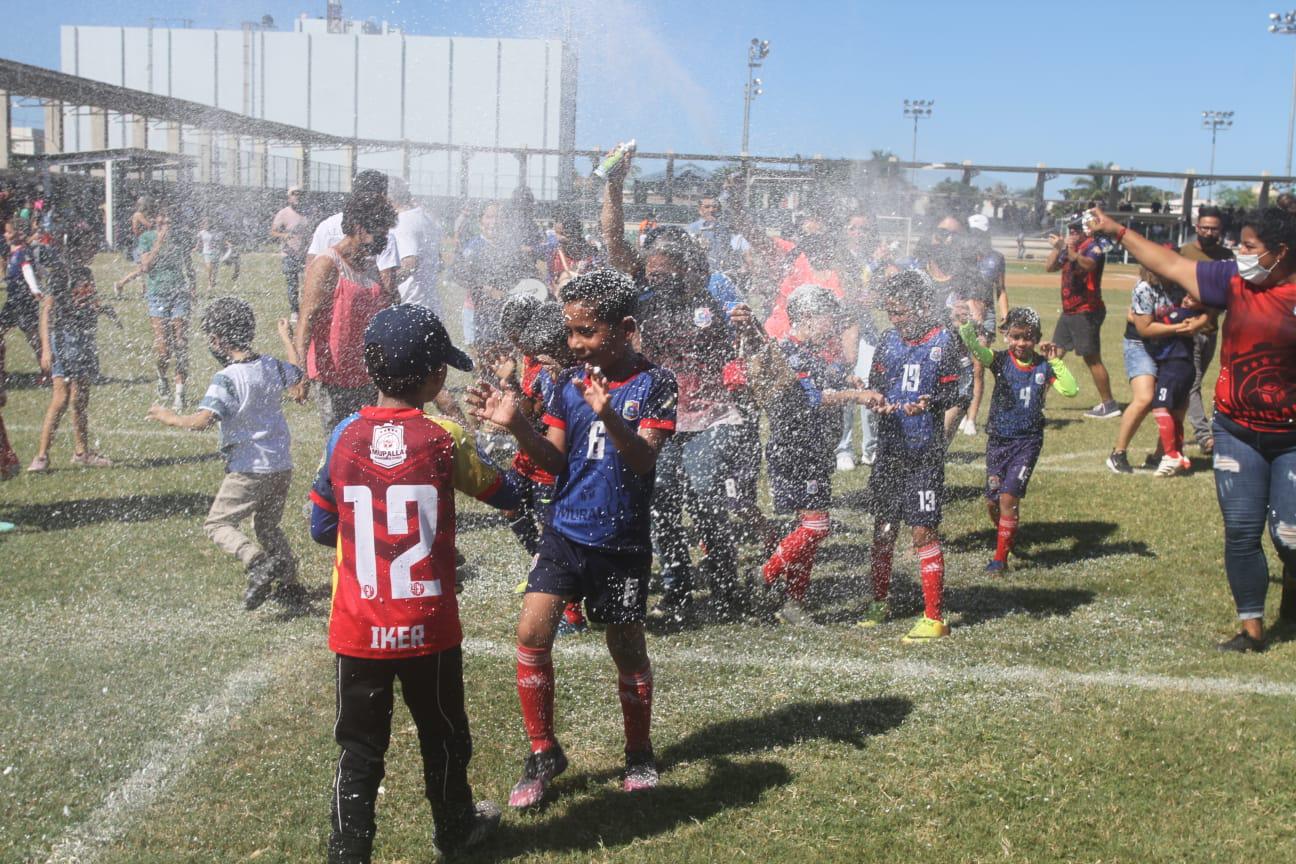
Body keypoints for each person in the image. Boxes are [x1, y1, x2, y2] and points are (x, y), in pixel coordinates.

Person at [309, 304, 513, 863]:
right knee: (444, 734)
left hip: (359, 625)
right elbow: (506, 494)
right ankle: (455, 831)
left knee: (359, 748)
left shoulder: (343, 436)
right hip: (429, 627)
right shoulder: (444, 437)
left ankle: (347, 853)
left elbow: (322, 526)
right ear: (436, 377)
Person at [466, 269, 677, 807]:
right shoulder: (568, 383)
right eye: (570, 332)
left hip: (622, 540)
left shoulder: (656, 384)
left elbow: (645, 459)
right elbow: (554, 460)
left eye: (586, 332)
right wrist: (517, 425)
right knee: (532, 633)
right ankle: (542, 752)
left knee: (626, 645)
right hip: (565, 530)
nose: (575, 343)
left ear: (624, 327)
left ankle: (638, 750)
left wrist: (610, 415)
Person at [1088, 205, 1296, 652]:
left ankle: (1292, 592)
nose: (1240, 252)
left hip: (1292, 438)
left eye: (1250, 246)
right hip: (1237, 430)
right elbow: (1171, 264)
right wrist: (1118, 230)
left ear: (1280, 253)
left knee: (1289, 537)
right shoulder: (1234, 281)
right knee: (1241, 530)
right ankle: (1252, 629)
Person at [732, 284, 881, 624]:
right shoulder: (786, 352)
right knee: (816, 526)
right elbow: (811, 397)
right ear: (808, 318)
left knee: (809, 530)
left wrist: (847, 378)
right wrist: (855, 396)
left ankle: (794, 603)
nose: (834, 327)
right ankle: (764, 576)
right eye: (829, 320)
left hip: (814, 450)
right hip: (795, 451)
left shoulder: (811, 351)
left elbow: (824, 376)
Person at [147, 297, 305, 610]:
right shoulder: (270, 365)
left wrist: (170, 417)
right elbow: (298, 375)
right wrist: (286, 338)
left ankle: (256, 561)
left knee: (217, 525)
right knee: (268, 527)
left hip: (249, 468)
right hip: (280, 466)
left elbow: (202, 421)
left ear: (217, 340)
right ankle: (290, 585)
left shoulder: (228, 379)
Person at [857, 270, 962, 642]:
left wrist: (931, 412)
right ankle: (879, 601)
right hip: (889, 451)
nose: (895, 319)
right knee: (884, 529)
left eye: (901, 312)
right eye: (891, 312)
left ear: (920, 307)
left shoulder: (944, 342)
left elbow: (956, 398)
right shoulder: (887, 340)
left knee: (922, 530)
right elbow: (877, 389)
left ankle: (934, 617)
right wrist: (874, 400)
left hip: (923, 455)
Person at [958, 308, 1078, 572]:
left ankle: (1000, 559)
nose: (1021, 343)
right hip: (999, 439)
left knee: (1008, 498)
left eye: (1028, 337)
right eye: (1015, 337)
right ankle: (1006, 535)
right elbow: (978, 352)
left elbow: (1071, 390)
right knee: (992, 501)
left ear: (1037, 338)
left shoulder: (1043, 366)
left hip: (1028, 441)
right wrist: (966, 327)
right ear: (1005, 336)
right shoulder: (1000, 361)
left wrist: (1056, 361)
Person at [294, 193, 400, 436]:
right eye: (380, 233)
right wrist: (299, 371)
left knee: (367, 446)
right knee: (339, 447)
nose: (384, 240)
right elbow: (306, 319)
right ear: (360, 229)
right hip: (334, 377)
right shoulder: (327, 264)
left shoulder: (371, 266)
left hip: (369, 374)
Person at [29, 230, 120, 472]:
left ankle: (81, 452)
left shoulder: (85, 272)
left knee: (80, 399)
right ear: (76, 248)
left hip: (84, 339)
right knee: (61, 398)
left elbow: (88, 300)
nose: (94, 251)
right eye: (90, 246)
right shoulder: (61, 274)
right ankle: (41, 456)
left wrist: (105, 310)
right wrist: (46, 349)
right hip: (66, 339)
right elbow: (47, 312)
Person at [1045, 220, 1120, 419]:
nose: (1073, 234)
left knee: (1092, 358)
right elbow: (1049, 267)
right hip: (1069, 310)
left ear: (1086, 232)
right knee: (1055, 353)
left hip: (1087, 310)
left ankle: (1109, 404)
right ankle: (1037, 398)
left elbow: (1088, 265)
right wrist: (1057, 249)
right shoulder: (1071, 247)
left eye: (1076, 230)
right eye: (1071, 230)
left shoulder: (1093, 247)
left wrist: (1067, 249)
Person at [1176, 206, 1234, 454]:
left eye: (1214, 228)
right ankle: (1204, 436)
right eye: (1205, 227)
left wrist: (1204, 304)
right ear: (1196, 227)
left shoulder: (1227, 256)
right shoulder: (1185, 252)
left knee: (1196, 382)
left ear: (1220, 231)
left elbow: (1230, 294)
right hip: (1185, 328)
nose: (1209, 232)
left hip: (1210, 329)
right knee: (1192, 383)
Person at [961, 213, 1011, 437]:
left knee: (977, 366)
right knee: (959, 366)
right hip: (961, 312)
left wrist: (1005, 316)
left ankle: (971, 418)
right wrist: (968, 306)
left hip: (987, 314)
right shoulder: (961, 255)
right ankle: (960, 409)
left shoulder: (997, 258)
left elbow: (1000, 289)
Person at [377, 177, 444, 314]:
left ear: (387, 200)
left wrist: (380, 281)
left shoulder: (402, 223)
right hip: (430, 305)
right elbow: (438, 259)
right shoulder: (425, 218)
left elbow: (410, 263)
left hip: (411, 306)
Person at [2, 216, 45, 370]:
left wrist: (35, 289)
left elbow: (27, 270)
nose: (5, 235)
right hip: (13, 300)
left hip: (23, 300)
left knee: (33, 336)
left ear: (19, 234)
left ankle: (47, 368)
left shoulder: (23, 252)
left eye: (8, 232)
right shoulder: (13, 251)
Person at [269, 186, 310, 319]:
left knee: (308, 282)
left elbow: (309, 233)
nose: (297, 196)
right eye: (294, 194)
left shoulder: (306, 213)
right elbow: (273, 232)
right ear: (289, 197)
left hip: (304, 254)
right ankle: (294, 311)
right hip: (289, 254)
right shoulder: (283, 213)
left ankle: (306, 309)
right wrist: (283, 236)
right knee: (292, 283)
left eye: (299, 194)